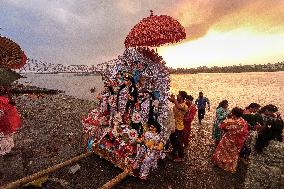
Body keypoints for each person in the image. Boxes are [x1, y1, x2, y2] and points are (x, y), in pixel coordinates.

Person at [244, 104, 284, 189]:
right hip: (272, 178)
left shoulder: (255, 136)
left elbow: (247, 145)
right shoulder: (281, 146)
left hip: (254, 173)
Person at [211, 107, 249, 173]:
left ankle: (220, 164)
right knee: (232, 155)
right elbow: (245, 132)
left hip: (227, 139)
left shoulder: (230, 121)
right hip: (237, 141)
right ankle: (229, 167)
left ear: (233, 114)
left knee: (222, 152)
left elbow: (221, 126)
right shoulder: (243, 122)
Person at [0, 85, 22, 155]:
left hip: (8, 121)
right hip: (7, 121)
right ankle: (6, 149)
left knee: (8, 135)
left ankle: (8, 147)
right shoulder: (3, 100)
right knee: (6, 136)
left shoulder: (4, 98)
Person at [168, 91, 188, 162]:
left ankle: (181, 157)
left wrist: (174, 99)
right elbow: (170, 100)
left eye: (179, 95)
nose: (177, 95)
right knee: (172, 139)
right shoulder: (177, 102)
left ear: (182, 97)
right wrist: (164, 94)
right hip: (173, 125)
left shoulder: (184, 106)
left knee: (178, 142)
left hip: (179, 127)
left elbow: (179, 107)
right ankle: (174, 151)